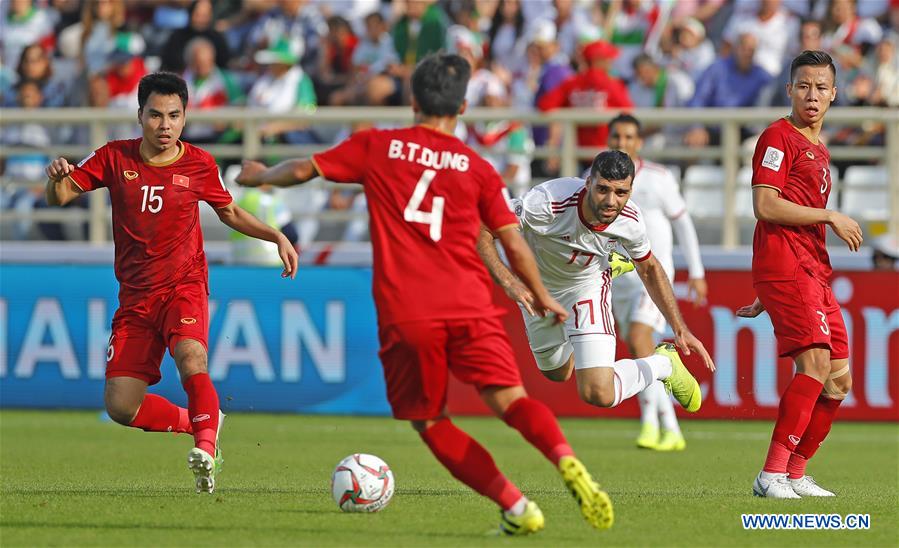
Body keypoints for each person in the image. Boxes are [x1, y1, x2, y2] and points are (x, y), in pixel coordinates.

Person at [236, 53, 613, 536]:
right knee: (511, 400)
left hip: (409, 310)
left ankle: (517, 507)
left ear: (412, 101)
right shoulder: (478, 169)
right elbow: (512, 241)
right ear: (459, 110)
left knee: (431, 421)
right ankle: (565, 460)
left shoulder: (378, 145)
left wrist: (259, 175)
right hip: (471, 305)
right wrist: (540, 292)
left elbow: (305, 170)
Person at [44, 72, 298, 494]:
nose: (165, 125)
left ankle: (205, 447)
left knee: (191, 357)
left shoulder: (199, 164)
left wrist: (276, 235)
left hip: (184, 285)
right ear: (140, 115)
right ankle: (200, 420)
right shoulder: (113, 157)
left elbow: (230, 213)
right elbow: (62, 196)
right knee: (121, 406)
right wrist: (55, 179)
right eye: (156, 115)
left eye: (174, 116)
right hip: (136, 300)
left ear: (185, 118)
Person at [477, 150, 715, 416]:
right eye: (602, 189)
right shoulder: (547, 201)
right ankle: (610, 263)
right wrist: (509, 282)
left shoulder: (631, 222)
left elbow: (649, 268)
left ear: (630, 191)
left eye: (621, 193)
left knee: (598, 392)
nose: (610, 201)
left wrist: (679, 328)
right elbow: (482, 227)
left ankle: (664, 364)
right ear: (588, 182)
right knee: (557, 372)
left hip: (587, 288)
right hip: (538, 291)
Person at [736, 51, 862, 499]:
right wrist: (829, 215)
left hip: (810, 270)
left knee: (840, 379)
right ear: (790, 90)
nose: (812, 95)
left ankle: (795, 473)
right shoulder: (777, 137)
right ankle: (770, 474)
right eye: (804, 86)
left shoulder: (820, 149)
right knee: (814, 364)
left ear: (833, 95)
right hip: (789, 264)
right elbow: (764, 205)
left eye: (821, 88)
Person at [606, 114, 707, 451]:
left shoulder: (657, 178)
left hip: (652, 277)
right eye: (617, 137)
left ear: (639, 141)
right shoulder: (597, 180)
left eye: (629, 137)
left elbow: (683, 223)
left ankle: (650, 424)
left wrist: (697, 271)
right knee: (639, 348)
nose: (623, 143)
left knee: (638, 337)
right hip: (618, 280)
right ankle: (671, 428)